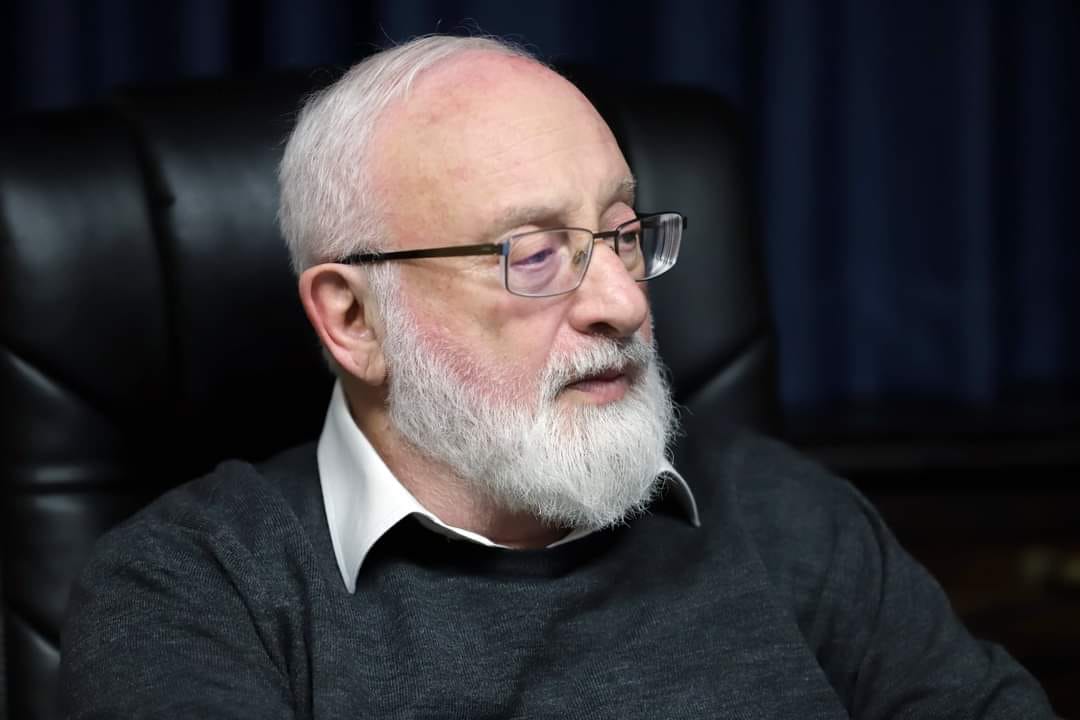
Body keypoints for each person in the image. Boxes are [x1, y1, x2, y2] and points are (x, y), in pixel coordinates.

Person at [60, 35, 1054, 718]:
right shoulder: (192, 591)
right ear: (355, 319)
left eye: (622, 234)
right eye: (533, 254)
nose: (622, 301)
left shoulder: (786, 514)